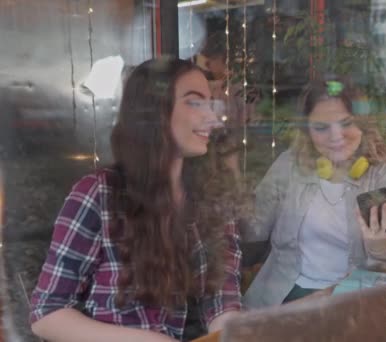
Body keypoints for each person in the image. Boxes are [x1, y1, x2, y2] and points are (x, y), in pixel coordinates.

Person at [29, 58, 242, 342]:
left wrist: (236, 330)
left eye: (211, 103)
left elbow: (221, 298)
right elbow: (46, 313)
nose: (212, 118)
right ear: (154, 112)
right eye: (195, 103)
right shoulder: (99, 193)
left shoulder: (211, 197)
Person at [242, 76, 386, 308]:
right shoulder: (289, 166)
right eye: (321, 127)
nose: (336, 137)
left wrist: (382, 243)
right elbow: (253, 228)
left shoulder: (383, 176)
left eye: (345, 123)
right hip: (281, 298)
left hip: (351, 301)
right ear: (308, 132)